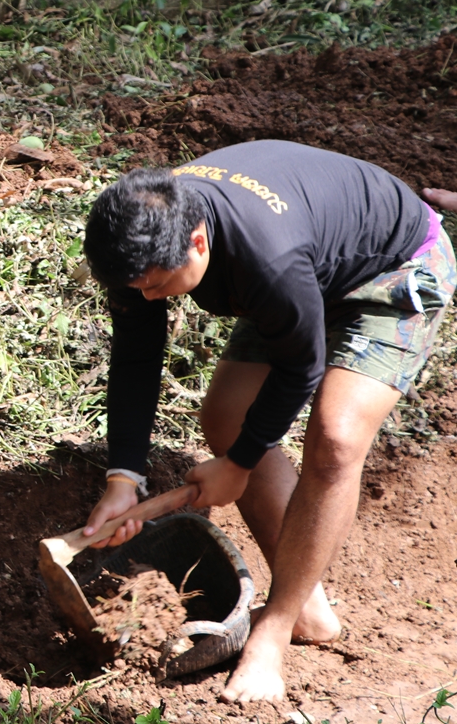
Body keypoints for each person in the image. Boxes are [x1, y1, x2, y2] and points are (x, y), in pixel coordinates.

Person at [82, 141, 455, 702]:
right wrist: (123, 477)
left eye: (156, 285)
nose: (147, 296)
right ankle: (310, 610)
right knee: (227, 417)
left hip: (394, 267)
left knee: (335, 438)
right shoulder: (136, 242)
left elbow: (301, 365)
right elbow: (137, 355)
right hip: (309, 266)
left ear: (198, 242)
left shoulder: (267, 258)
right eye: (136, 287)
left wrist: (239, 465)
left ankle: (275, 631)